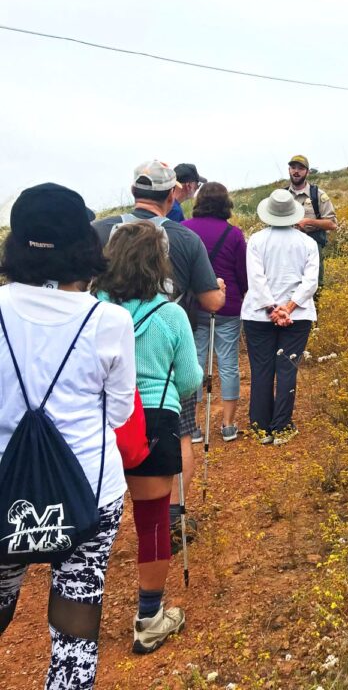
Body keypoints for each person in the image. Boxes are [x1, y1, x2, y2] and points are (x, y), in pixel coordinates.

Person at [0, 183, 136, 689]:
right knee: (76, 627)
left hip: (3, 490)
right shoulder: (108, 321)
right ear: (83, 245)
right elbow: (119, 412)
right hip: (88, 493)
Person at [92, 160, 225, 548]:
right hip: (164, 366)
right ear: (172, 195)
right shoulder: (184, 240)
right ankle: (173, 513)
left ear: (133, 191)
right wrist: (217, 287)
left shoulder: (98, 230)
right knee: (180, 432)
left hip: (101, 361)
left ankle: (102, 509)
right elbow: (212, 300)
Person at [94, 221, 203, 654]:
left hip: (98, 421)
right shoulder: (171, 314)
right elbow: (191, 378)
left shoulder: (93, 307)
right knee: (153, 521)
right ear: (159, 262)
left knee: (89, 521)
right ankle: (149, 616)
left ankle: (75, 613)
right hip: (154, 420)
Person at [242, 189, 319, 445]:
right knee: (287, 368)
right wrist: (289, 307)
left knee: (261, 368)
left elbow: (256, 279)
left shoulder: (256, 240)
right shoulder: (308, 243)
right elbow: (310, 282)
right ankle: (282, 426)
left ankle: (261, 426)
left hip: (258, 316)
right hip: (298, 316)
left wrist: (271, 309)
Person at [182, 183, 248, 441]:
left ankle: (194, 425)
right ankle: (228, 424)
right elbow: (242, 274)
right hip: (228, 306)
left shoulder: (186, 229)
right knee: (229, 363)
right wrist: (242, 295)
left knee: (196, 362)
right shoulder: (233, 234)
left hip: (195, 306)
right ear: (226, 204)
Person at [286, 154, 337, 290]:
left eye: (301, 168)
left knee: (313, 290)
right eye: (293, 167)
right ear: (289, 170)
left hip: (312, 250)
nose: (296, 171)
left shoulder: (318, 195)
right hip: (286, 250)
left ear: (307, 172)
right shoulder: (282, 196)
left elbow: (332, 224)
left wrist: (309, 222)